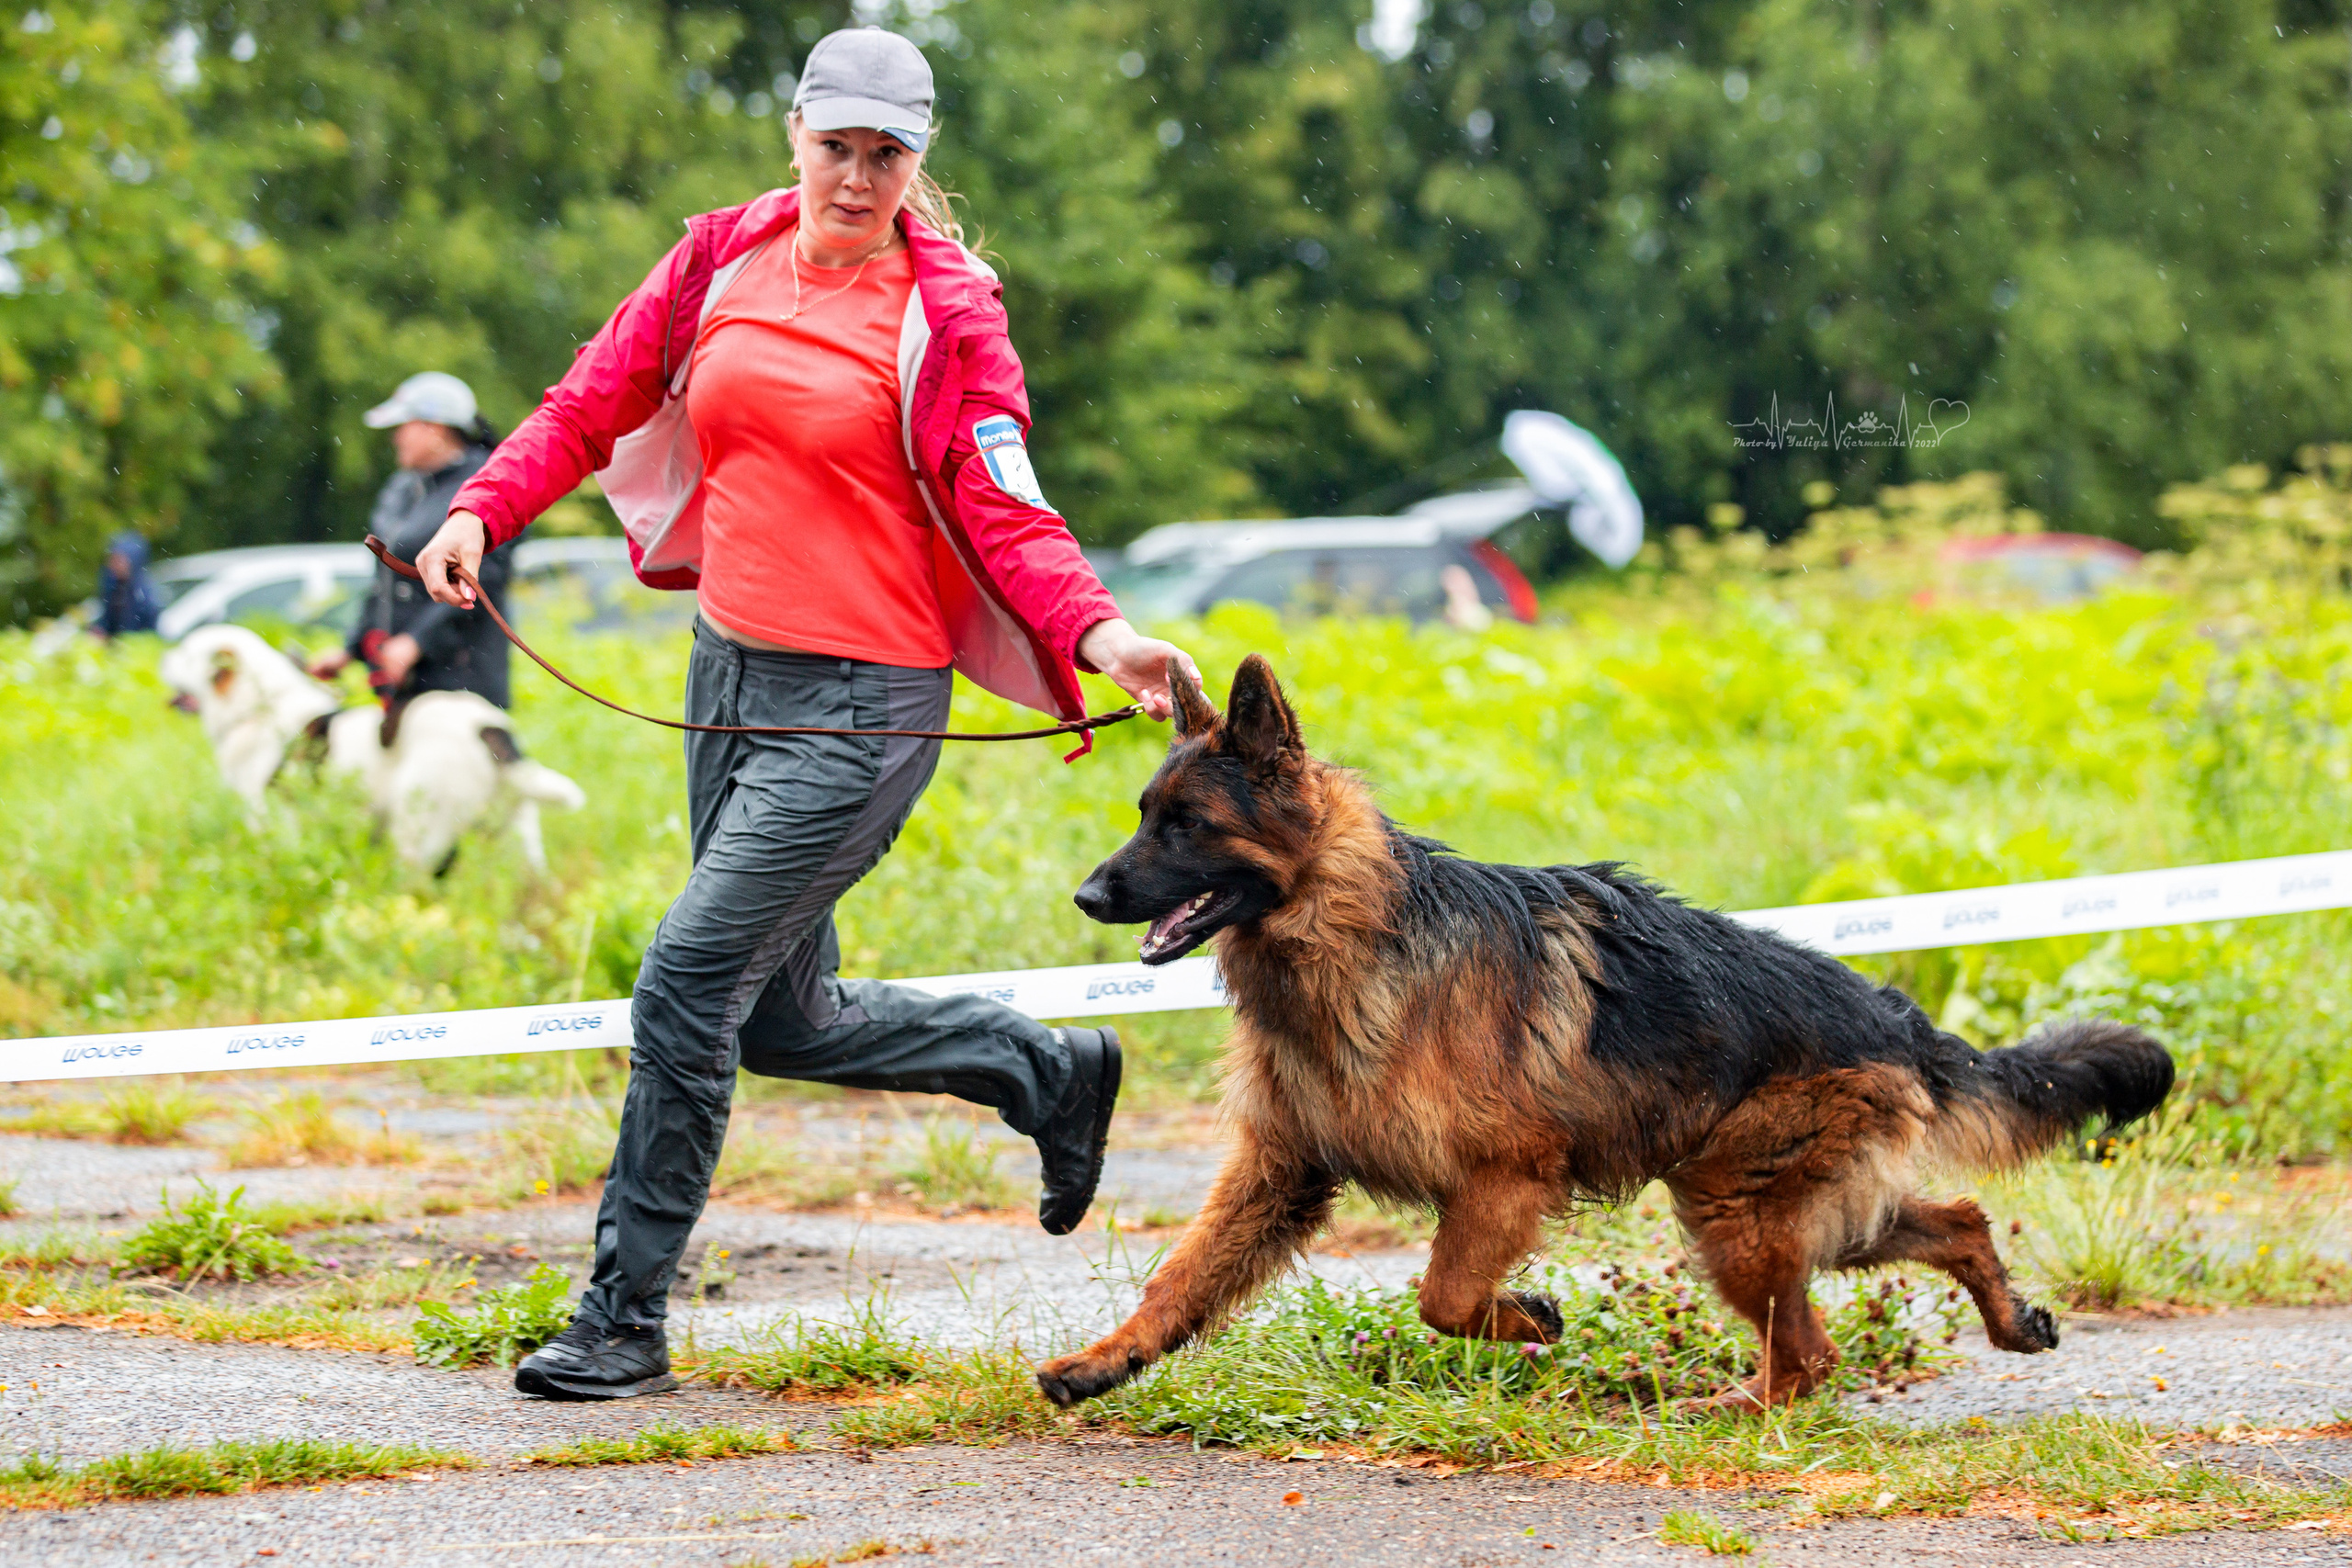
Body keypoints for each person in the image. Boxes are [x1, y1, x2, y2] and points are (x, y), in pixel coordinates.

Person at [407, 27, 1198, 1401]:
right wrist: (483, 507)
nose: (856, 178)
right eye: (836, 146)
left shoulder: (947, 314)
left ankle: (622, 1316)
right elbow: (589, 403)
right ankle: (1046, 1068)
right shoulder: (720, 257)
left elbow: (1006, 504)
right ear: (797, 133)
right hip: (728, 680)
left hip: (863, 708)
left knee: (686, 979)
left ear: (918, 159)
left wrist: (1105, 634)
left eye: (887, 155)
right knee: (778, 1017)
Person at [310, 372, 512, 721]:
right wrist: (351, 650)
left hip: (461, 680)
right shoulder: (401, 488)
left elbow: (485, 581)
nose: (395, 437)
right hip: (403, 682)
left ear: (435, 427)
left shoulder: (489, 484)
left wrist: (416, 643)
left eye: (404, 425)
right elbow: (385, 581)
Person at [93, 531, 161, 639]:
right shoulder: (112, 584)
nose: (113, 565)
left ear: (132, 561)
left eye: (119, 560)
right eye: (113, 559)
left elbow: (147, 629)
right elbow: (108, 619)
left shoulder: (142, 592)